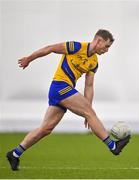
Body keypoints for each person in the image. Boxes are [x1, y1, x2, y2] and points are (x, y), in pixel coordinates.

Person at [6, 29, 130, 171]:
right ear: (99, 41)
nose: (107, 50)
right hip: (60, 86)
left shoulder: (94, 62)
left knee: (45, 129)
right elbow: (50, 48)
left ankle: (15, 154)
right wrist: (29, 58)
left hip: (62, 91)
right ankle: (113, 146)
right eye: (106, 46)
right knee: (88, 113)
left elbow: (89, 86)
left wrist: (88, 111)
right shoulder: (76, 47)